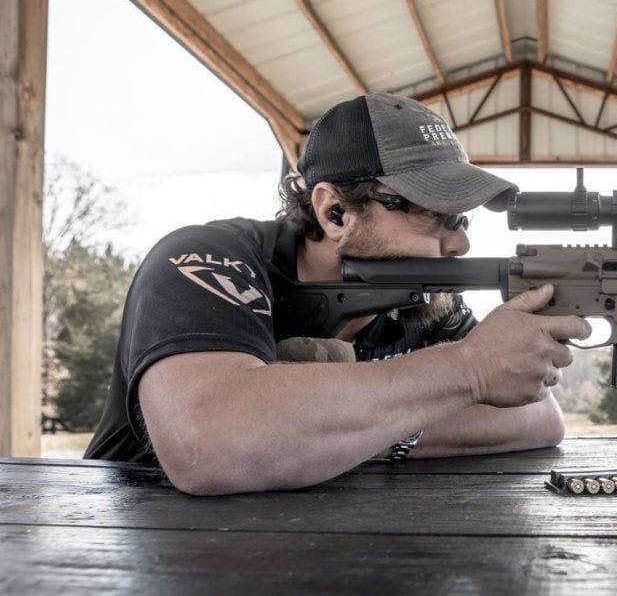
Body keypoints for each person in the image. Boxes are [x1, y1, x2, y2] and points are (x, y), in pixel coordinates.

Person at [84, 93, 589, 495]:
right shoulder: (208, 259)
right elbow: (210, 445)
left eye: (460, 218)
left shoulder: (426, 299)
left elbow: (538, 418)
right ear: (335, 212)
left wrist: (347, 431)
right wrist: (466, 371)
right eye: (429, 213)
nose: (459, 242)